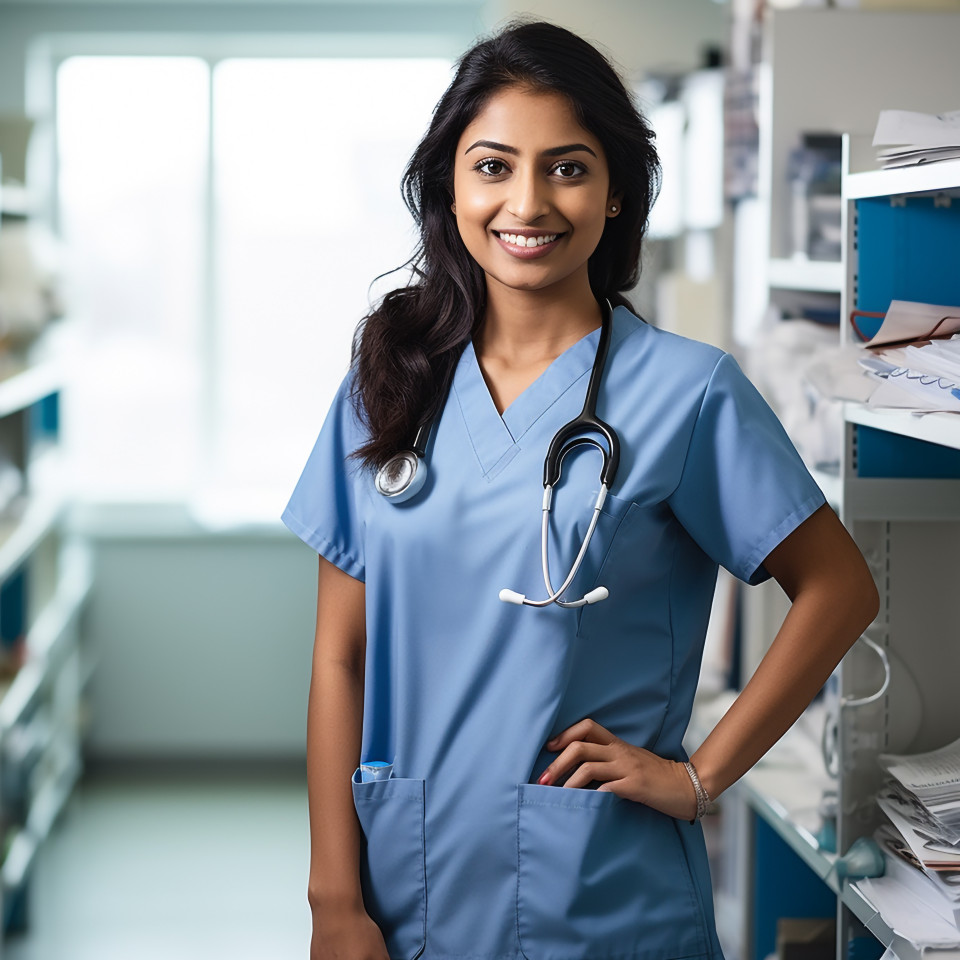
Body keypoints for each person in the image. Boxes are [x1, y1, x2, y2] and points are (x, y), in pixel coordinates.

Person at [282, 20, 879, 960]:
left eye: (567, 168)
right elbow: (338, 658)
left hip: (603, 901)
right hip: (407, 894)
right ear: (449, 186)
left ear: (615, 194)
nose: (527, 202)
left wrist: (700, 778)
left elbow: (840, 588)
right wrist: (332, 898)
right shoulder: (388, 384)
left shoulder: (687, 391)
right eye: (493, 166)